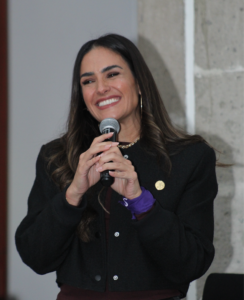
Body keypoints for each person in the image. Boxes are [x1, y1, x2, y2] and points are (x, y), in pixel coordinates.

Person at [15, 34, 218, 300]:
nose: (100, 88)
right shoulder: (56, 157)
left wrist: (140, 201)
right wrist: (72, 195)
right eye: (88, 81)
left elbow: (192, 263)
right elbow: (35, 257)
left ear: (139, 83)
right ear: (82, 96)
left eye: (112, 74)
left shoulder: (189, 157)